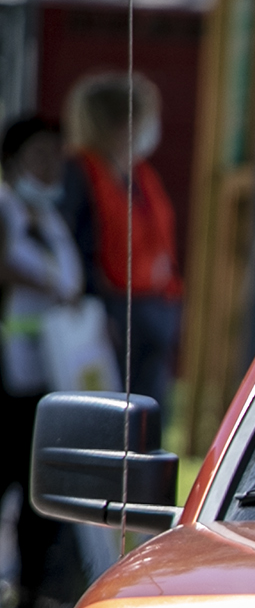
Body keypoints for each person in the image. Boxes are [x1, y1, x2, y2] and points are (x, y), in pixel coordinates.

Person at [0, 113, 83, 608]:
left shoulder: (47, 216)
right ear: (13, 161)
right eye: (39, 155)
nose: (50, 166)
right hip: (8, 374)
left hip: (44, 372)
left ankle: (29, 589)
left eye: (56, 155)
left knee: (34, 484)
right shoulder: (6, 204)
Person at [60, 72, 178, 410]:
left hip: (154, 306)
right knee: (108, 410)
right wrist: (96, 309)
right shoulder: (79, 172)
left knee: (150, 410)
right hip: (111, 312)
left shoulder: (138, 173)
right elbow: (78, 247)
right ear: (120, 122)